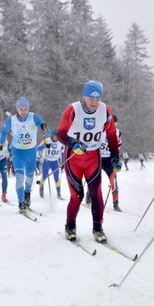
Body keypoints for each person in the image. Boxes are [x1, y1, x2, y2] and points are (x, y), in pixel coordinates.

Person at [56, 80, 121, 243]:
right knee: (77, 195)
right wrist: (72, 143)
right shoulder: (73, 110)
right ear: (84, 96)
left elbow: (111, 135)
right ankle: (70, 226)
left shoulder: (105, 110)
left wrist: (115, 156)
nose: (94, 103)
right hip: (74, 158)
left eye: (98, 99)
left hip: (93, 158)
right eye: (91, 98)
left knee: (96, 194)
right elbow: (60, 134)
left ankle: (98, 228)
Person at [0, 97, 50, 214]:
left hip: (31, 151)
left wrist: (46, 130)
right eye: (21, 109)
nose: (23, 111)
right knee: (20, 177)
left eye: (26, 109)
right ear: (17, 109)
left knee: (30, 176)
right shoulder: (11, 120)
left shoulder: (34, 117)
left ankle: (27, 194)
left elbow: (45, 128)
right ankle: (21, 203)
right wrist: (1, 142)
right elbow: (3, 131)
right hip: (17, 151)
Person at [85, 115, 123, 211]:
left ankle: (116, 203)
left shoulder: (118, 133)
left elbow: (118, 148)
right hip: (98, 158)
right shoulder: (98, 131)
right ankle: (89, 197)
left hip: (109, 160)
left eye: (114, 125)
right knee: (94, 180)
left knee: (113, 181)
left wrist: (116, 160)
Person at [39, 130, 65, 200]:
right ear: (52, 136)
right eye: (55, 136)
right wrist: (45, 146)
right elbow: (37, 148)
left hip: (55, 162)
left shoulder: (61, 142)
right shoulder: (46, 140)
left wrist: (62, 163)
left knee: (56, 178)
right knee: (44, 176)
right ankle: (41, 186)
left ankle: (58, 194)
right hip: (46, 161)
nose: (56, 138)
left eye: (58, 136)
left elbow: (62, 153)